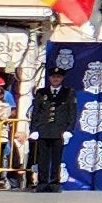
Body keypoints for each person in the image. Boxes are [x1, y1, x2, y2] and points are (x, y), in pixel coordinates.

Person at [27, 66, 75, 194]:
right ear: (49, 78)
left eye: (58, 77)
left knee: (56, 159)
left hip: (59, 130)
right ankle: (42, 183)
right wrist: (34, 129)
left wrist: (69, 129)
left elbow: (72, 112)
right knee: (42, 158)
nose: (56, 79)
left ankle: (54, 183)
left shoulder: (68, 92)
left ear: (62, 78)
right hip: (43, 130)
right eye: (53, 77)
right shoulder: (41, 93)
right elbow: (36, 112)